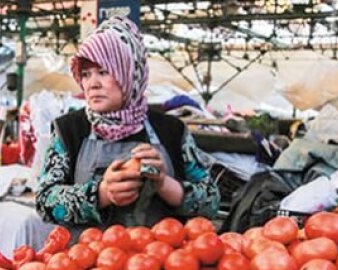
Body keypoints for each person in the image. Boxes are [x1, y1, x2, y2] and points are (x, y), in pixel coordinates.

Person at [35, 16, 219, 232]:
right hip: (88, 260)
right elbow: (44, 202)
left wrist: (164, 185)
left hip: (160, 259)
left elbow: (211, 201)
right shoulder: (68, 131)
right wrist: (102, 194)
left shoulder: (171, 131)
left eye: (103, 72)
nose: (92, 84)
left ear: (129, 72)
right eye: (85, 74)